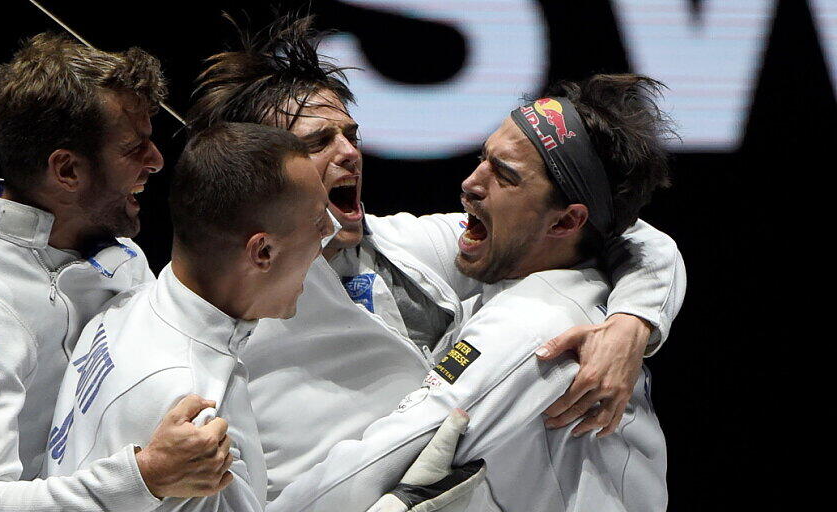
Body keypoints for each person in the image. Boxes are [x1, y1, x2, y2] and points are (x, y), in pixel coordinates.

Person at [186, 15, 686, 499]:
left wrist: (632, 322)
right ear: (255, 173)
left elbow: (624, 235)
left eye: (351, 135)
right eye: (318, 142)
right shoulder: (208, 310)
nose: (351, 153)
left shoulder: (408, 248)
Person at [269, 74, 675, 512]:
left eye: (504, 175)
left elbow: (387, 454)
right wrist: (636, 319)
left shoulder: (537, 329)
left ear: (562, 224)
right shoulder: (514, 272)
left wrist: (635, 321)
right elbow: (623, 230)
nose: (469, 183)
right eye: (484, 159)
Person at [0, 33, 231, 512]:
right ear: (66, 171)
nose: (157, 161)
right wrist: (146, 477)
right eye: (133, 148)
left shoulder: (116, 254)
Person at [42, 122, 334, 509]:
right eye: (317, 221)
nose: (329, 230)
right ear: (262, 252)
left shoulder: (126, 304)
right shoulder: (197, 420)